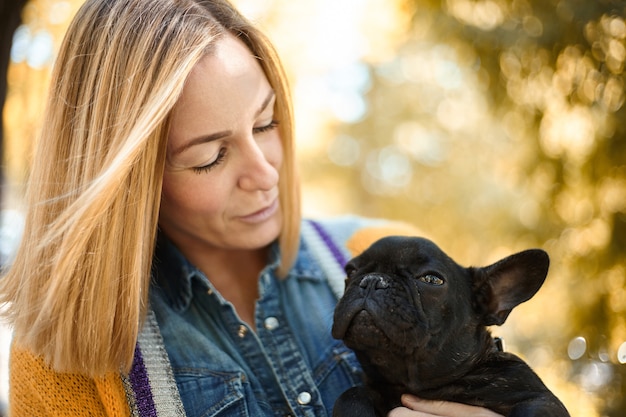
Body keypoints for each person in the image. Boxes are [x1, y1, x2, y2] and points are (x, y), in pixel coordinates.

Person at [0, 0, 504, 416]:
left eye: (265, 123)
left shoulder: (385, 254)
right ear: (129, 185)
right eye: (209, 157)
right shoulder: (59, 358)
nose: (265, 173)